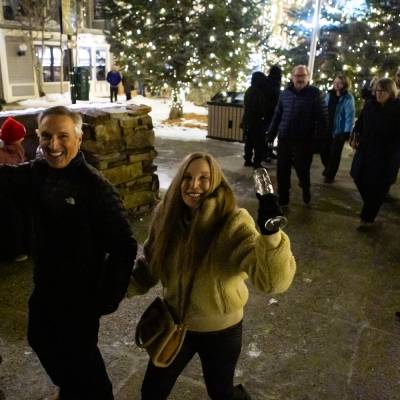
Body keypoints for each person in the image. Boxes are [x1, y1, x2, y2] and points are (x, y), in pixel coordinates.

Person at [129, 152, 296, 400]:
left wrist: (270, 237)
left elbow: (272, 282)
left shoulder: (233, 222)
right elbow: (148, 268)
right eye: (187, 177)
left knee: (221, 393)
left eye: (203, 178)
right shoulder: (166, 216)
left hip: (221, 332)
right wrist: (110, 291)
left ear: (216, 181)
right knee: (152, 391)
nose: (194, 185)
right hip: (175, 326)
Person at [0, 106, 137, 399]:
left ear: (79, 136)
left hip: (81, 297)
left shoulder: (96, 187)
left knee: (84, 363)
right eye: (47, 136)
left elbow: (124, 246)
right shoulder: (37, 173)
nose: (54, 144)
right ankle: (73, 390)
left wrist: (106, 299)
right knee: (39, 338)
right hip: (46, 285)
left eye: (63, 136)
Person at [267, 65, 328, 206]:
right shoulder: (285, 93)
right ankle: (283, 198)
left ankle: (305, 188)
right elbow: (278, 115)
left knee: (302, 169)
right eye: (297, 76)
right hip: (285, 138)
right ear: (292, 77)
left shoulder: (315, 94)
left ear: (307, 77)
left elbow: (323, 119)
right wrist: (271, 134)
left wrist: (319, 140)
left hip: (304, 140)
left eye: (303, 76)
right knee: (282, 170)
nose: (300, 79)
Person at [350, 78, 400, 230]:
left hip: (386, 154)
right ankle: (371, 205)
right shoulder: (370, 105)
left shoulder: (397, 108)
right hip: (366, 149)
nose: (378, 94)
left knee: (379, 185)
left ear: (390, 93)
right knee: (357, 175)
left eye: (382, 91)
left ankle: (367, 218)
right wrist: (355, 133)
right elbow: (361, 122)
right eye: (377, 91)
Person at [241, 66, 282, 168]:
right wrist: (265, 116)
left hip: (248, 120)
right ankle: (257, 162)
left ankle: (247, 160)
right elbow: (262, 107)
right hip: (258, 121)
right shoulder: (260, 92)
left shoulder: (250, 90)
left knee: (249, 141)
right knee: (259, 142)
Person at [0, 117, 28, 262]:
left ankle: (25, 244)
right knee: (12, 219)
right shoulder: (2, 154)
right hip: (5, 193)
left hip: (16, 189)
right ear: (12, 139)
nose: (23, 139)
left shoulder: (18, 148)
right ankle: (13, 251)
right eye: (20, 136)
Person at [321, 74, 355, 183]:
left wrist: (347, 131)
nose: (336, 85)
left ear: (344, 84)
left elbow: (350, 115)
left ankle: (330, 175)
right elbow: (324, 109)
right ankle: (328, 168)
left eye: (339, 83)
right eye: (335, 82)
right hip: (327, 128)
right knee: (324, 152)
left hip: (339, 130)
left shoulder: (348, 98)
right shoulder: (329, 95)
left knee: (335, 154)